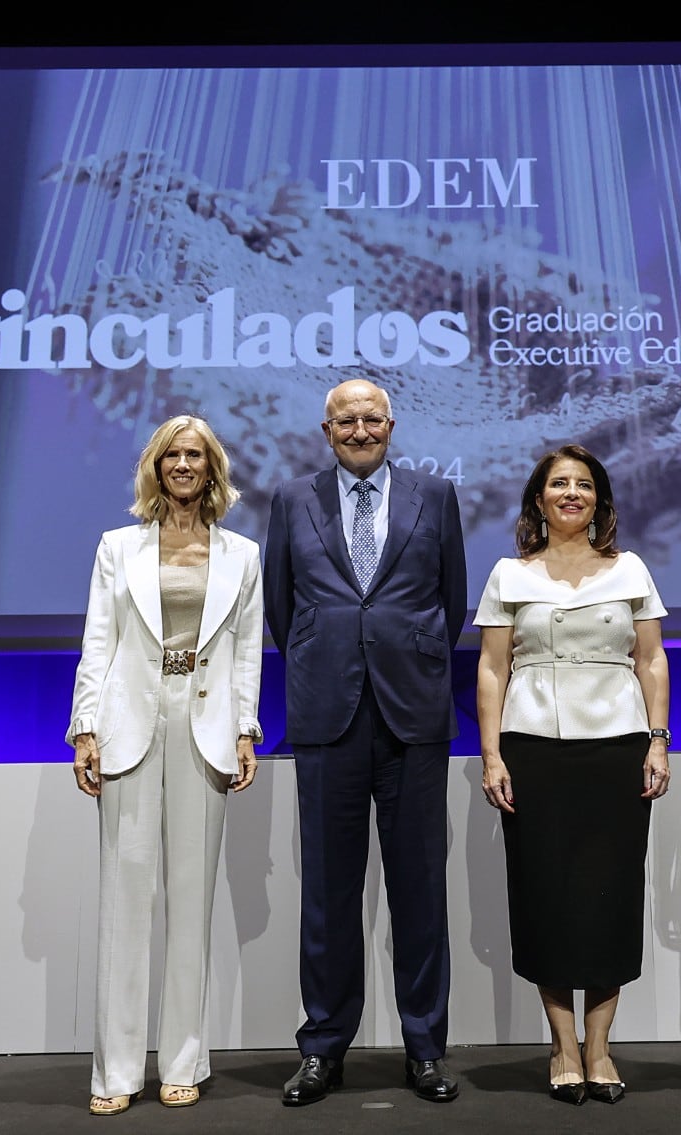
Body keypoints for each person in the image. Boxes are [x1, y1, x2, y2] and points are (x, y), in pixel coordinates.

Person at [263, 378, 468, 1106]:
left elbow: (451, 600)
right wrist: (334, 657)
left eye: (371, 418)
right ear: (326, 428)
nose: (359, 429)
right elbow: (282, 612)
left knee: (421, 892)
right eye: (345, 419)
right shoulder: (291, 500)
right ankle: (323, 1049)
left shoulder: (435, 496)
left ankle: (424, 1049)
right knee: (326, 894)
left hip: (413, 717)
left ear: (392, 424)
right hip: (327, 717)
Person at [67, 415, 264, 1117]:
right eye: (173, 455)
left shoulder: (241, 552)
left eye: (196, 455)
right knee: (125, 901)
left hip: (205, 720)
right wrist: (84, 726)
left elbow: (246, 648)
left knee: (191, 899)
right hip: (128, 720)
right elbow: (98, 638)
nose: (184, 464)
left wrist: (246, 729)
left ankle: (184, 1058)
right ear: (155, 467)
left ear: (213, 469)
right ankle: (115, 1070)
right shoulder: (117, 547)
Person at [474, 445, 671, 1106]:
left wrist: (658, 739)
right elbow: (493, 670)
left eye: (583, 485)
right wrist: (493, 753)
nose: (571, 493)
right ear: (537, 498)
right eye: (558, 483)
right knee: (545, 897)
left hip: (617, 748)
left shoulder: (631, 569)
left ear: (599, 499)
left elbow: (650, 660)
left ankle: (601, 1047)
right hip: (533, 750)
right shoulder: (509, 573)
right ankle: (562, 1048)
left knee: (609, 897)